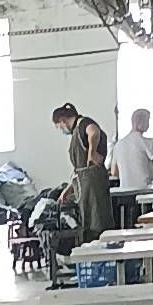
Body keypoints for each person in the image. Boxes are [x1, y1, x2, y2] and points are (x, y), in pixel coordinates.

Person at [52, 102, 113, 242]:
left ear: (62, 121)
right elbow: (79, 171)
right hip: (84, 185)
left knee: (98, 223)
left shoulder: (84, 123)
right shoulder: (76, 131)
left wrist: (92, 153)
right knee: (89, 225)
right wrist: (68, 190)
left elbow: (94, 132)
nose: (60, 130)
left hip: (94, 186)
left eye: (58, 127)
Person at [110, 109, 153, 195]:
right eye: (147, 121)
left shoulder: (118, 145)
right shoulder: (146, 142)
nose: (148, 125)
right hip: (145, 190)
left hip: (125, 192)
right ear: (140, 122)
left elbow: (114, 172)